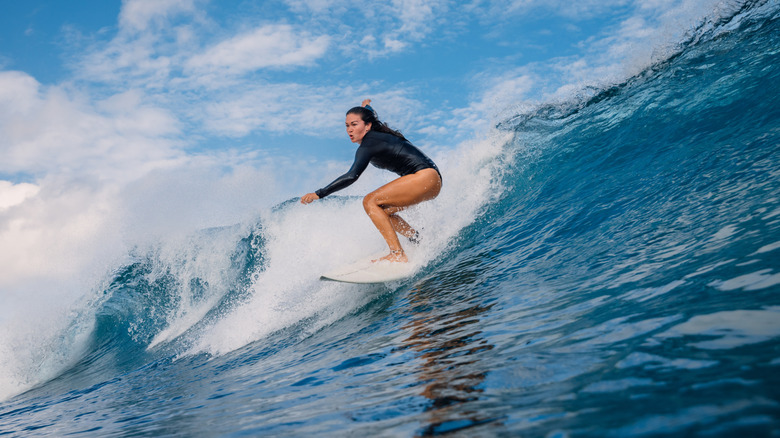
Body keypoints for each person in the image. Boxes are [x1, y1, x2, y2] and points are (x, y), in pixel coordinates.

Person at [300, 99, 442, 263]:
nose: (349, 130)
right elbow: (372, 114)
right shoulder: (373, 136)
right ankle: (416, 238)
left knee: (369, 201)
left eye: (354, 125)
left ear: (367, 126)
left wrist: (319, 193)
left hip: (424, 177)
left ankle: (397, 254)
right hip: (432, 182)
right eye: (347, 126)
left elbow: (352, 175)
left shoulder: (368, 144)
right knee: (382, 211)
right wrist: (365, 107)